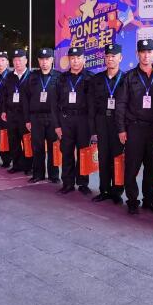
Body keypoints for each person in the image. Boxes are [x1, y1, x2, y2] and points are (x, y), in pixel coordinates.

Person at [115, 38, 153, 215]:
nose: (145, 55)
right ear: (137, 54)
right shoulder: (129, 77)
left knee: (152, 168)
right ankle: (132, 200)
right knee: (131, 167)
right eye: (142, 52)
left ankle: (150, 201)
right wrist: (121, 129)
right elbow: (120, 104)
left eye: (149, 52)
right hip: (134, 129)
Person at [52, 47, 93, 195]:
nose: (75, 61)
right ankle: (67, 183)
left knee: (83, 151)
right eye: (72, 58)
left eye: (78, 58)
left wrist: (93, 127)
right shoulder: (61, 78)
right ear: (69, 60)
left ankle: (83, 183)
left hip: (83, 120)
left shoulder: (91, 78)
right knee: (67, 151)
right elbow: (54, 103)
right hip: (66, 119)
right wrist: (57, 125)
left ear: (84, 59)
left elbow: (94, 105)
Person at [88, 44, 125, 204]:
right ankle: (104, 190)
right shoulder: (96, 79)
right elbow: (91, 107)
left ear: (120, 58)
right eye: (107, 56)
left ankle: (117, 192)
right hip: (101, 122)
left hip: (118, 124)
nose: (110, 59)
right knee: (103, 158)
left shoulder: (126, 79)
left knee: (117, 158)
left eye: (113, 56)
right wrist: (93, 130)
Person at [23, 47, 61, 184]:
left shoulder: (59, 77)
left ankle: (53, 175)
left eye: (47, 59)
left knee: (53, 147)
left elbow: (62, 100)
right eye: (42, 59)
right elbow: (25, 99)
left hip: (53, 118)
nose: (44, 62)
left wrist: (60, 121)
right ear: (38, 61)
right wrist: (27, 119)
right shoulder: (32, 76)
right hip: (36, 117)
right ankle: (38, 174)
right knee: (37, 147)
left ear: (52, 60)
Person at [2, 48, 32, 175]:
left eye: (20, 60)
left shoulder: (32, 76)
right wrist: (4, 111)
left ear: (26, 61)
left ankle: (28, 166)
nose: (17, 63)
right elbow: (4, 95)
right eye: (15, 60)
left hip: (25, 115)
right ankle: (17, 164)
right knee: (13, 140)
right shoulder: (9, 76)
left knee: (27, 141)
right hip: (11, 113)